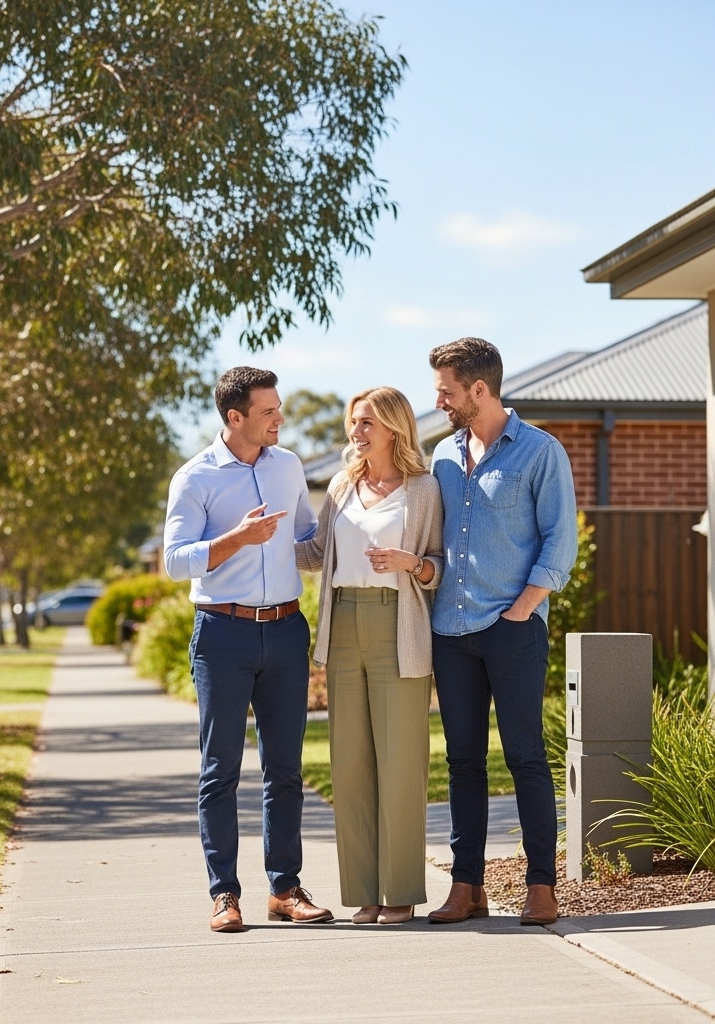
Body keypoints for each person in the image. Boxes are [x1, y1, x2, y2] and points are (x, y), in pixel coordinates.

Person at [163, 366, 333, 933]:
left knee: (285, 770)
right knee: (221, 770)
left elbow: (306, 539)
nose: (279, 419)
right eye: (268, 412)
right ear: (235, 418)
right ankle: (224, 894)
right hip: (223, 634)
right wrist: (239, 538)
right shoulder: (195, 478)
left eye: (279, 407)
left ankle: (285, 889)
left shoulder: (288, 467)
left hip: (286, 630)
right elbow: (175, 560)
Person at [426, 337, 578, 926]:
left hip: (512, 629)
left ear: (479, 390)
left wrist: (524, 608)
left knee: (525, 757)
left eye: (446, 390)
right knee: (463, 762)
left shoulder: (540, 452)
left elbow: (558, 539)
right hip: (451, 631)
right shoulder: (442, 455)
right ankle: (468, 887)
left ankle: (541, 884)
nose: (438, 400)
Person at [297, 386, 443, 925]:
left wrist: (412, 563)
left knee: (402, 762)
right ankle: (365, 891)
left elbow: (442, 566)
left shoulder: (423, 489)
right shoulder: (341, 485)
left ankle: (400, 890)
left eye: (365, 424)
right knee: (350, 762)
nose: (355, 434)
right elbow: (317, 554)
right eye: (353, 424)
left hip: (397, 626)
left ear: (394, 429)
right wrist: (256, 542)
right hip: (343, 624)